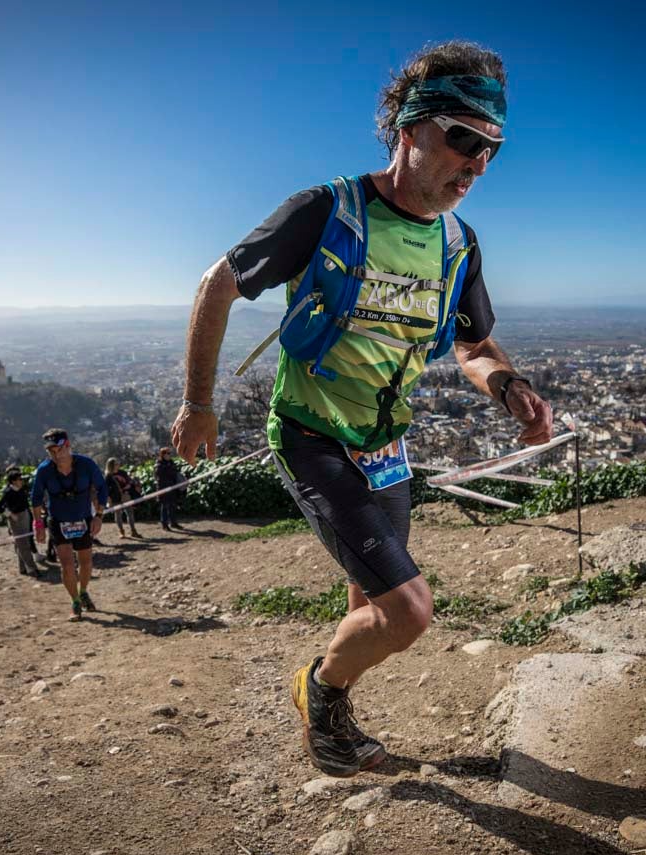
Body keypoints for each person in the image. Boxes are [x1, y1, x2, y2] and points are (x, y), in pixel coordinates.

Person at [169, 41, 553, 778]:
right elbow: (218, 285)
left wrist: (510, 389)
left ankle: (334, 710)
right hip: (311, 436)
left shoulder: (457, 244)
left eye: (491, 151)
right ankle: (322, 698)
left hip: (387, 449)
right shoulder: (328, 211)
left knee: (370, 603)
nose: (475, 164)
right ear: (409, 130)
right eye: (461, 140)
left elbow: (475, 348)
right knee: (407, 610)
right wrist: (198, 404)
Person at [30, 428, 108, 620]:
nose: (56, 455)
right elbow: (36, 497)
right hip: (58, 520)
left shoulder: (86, 465)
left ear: (68, 445)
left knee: (86, 562)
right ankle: (75, 601)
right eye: (51, 451)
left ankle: (83, 591)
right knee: (66, 565)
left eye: (59, 449)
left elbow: (102, 488)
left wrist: (98, 516)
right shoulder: (44, 470)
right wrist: (38, 525)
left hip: (83, 519)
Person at [0, 466, 39, 576]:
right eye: (19, 479)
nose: (22, 481)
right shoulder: (8, 492)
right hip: (16, 519)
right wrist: (10, 514)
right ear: (13, 481)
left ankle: (23, 568)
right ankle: (32, 568)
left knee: (25, 542)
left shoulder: (22, 489)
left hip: (25, 515)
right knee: (22, 543)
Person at [105, 457, 144, 539]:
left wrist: (131, 485)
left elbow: (129, 481)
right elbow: (106, 489)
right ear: (111, 465)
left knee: (130, 514)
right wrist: (109, 499)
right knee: (118, 515)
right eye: (116, 464)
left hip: (125, 496)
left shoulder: (123, 473)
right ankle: (121, 531)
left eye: (118, 463)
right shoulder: (108, 476)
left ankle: (133, 531)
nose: (118, 465)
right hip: (115, 498)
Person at [154, 446, 183, 530]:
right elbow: (160, 476)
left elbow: (174, 473)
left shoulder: (171, 462)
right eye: (168, 453)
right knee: (164, 506)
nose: (170, 455)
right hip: (163, 489)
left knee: (173, 506)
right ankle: (164, 524)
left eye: (170, 453)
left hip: (172, 488)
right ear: (163, 455)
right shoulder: (159, 465)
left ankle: (173, 523)